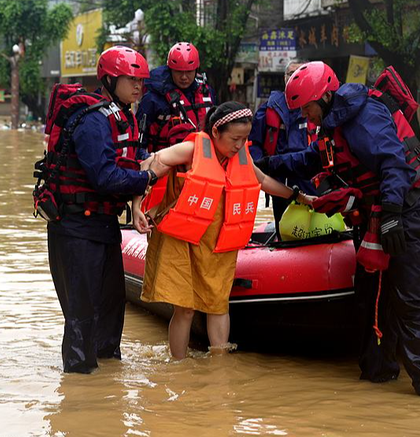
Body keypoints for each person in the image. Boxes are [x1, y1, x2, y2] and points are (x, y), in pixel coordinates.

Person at [258, 61, 420, 396]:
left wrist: (391, 215)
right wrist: (266, 164)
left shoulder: (364, 118)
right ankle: (378, 372)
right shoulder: (335, 125)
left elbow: (394, 164)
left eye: (307, 107)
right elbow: (313, 159)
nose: (306, 116)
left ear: (326, 96)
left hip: (406, 214)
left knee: (410, 298)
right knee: (371, 298)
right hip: (377, 217)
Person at [133, 101, 315, 360]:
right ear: (216, 132)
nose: (240, 145)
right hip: (180, 239)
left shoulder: (240, 157)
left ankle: (220, 367)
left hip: (216, 243)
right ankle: (178, 368)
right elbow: (150, 164)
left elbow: (261, 180)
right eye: (235, 139)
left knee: (218, 305)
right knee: (184, 309)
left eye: (244, 139)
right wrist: (137, 206)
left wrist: (298, 196)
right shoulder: (191, 150)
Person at [42, 46, 170, 374]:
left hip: (103, 226)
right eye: (131, 79)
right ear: (111, 79)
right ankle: (80, 390)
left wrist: (137, 203)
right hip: (75, 228)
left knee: (112, 311)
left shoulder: (122, 115)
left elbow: (122, 168)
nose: (139, 86)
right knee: (82, 316)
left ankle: (108, 388)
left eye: (142, 80)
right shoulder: (93, 121)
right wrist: (148, 177)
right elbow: (104, 177)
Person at [249, 59, 318, 238]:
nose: (294, 77)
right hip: (279, 176)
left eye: (300, 73)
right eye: (291, 73)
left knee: (316, 224)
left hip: (309, 176)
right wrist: (259, 169)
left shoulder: (317, 106)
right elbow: (254, 142)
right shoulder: (269, 108)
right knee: (283, 226)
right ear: (284, 77)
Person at [137, 41, 218, 153]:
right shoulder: (152, 99)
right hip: (165, 164)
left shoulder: (207, 93)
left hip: (202, 161)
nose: (184, 77)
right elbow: (138, 142)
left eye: (189, 71)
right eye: (178, 72)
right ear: (170, 70)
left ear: (196, 70)